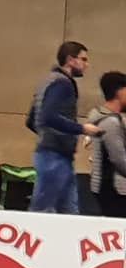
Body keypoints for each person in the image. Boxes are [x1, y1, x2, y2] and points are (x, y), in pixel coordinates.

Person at [26, 41, 102, 214]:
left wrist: (47, 136)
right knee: (45, 210)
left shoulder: (47, 82)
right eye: (83, 59)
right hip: (55, 157)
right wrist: (82, 129)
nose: (87, 65)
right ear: (70, 60)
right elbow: (49, 116)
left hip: (52, 155)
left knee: (67, 211)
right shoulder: (63, 84)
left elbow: (32, 120)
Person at [87, 71, 126, 218]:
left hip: (106, 186)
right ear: (120, 92)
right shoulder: (110, 122)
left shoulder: (104, 117)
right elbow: (119, 160)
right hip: (114, 188)